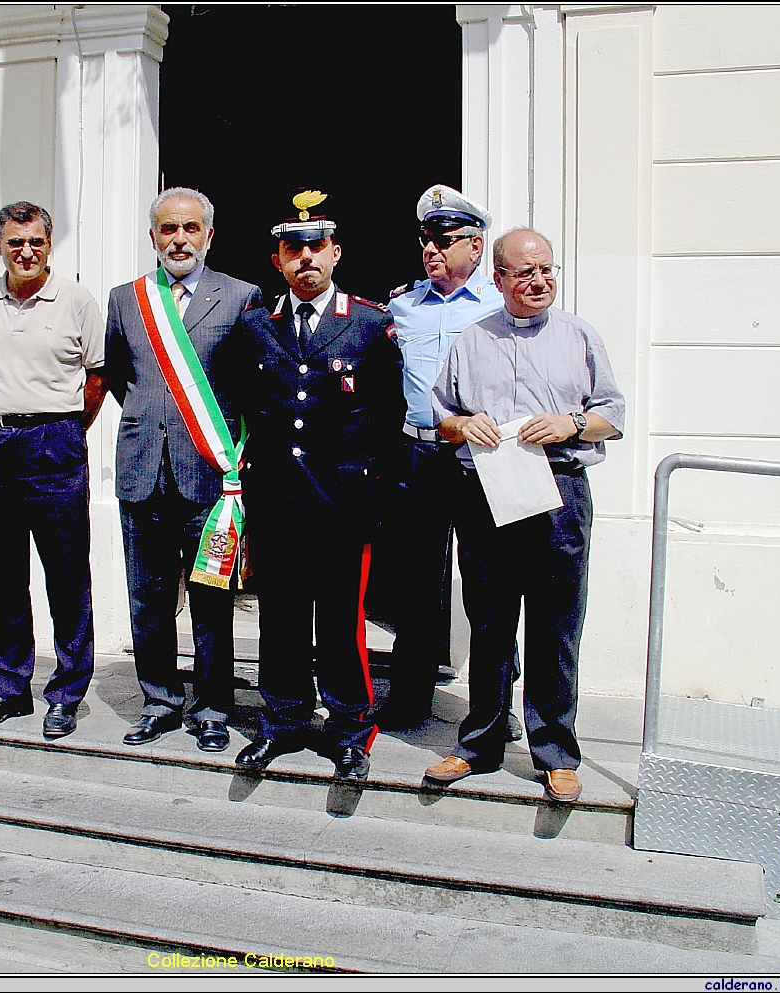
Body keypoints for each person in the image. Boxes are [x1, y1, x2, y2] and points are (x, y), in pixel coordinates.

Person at [425, 227, 624, 803]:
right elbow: (441, 416)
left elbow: (612, 411)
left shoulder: (579, 336)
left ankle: (555, 753)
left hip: (559, 489)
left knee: (556, 624)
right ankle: (480, 743)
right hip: (487, 489)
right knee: (489, 622)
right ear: (499, 278)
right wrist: (462, 425)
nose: (538, 282)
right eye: (524, 272)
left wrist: (573, 424)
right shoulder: (472, 339)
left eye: (547, 271)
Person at [231, 189, 404, 780]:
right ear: (278, 259)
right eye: (292, 249)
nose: (305, 258)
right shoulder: (255, 327)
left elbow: (388, 421)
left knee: (340, 623)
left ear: (335, 254)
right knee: (278, 617)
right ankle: (281, 721)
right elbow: (244, 410)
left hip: (342, 504)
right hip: (277, 500)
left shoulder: (369, 325)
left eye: (316, 247)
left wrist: (375, 499)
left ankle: (352, 727)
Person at [93, 188, 264, 751]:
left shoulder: (240, 296)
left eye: (190, 228)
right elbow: (121, 376)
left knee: (212, 598)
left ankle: (213, 706)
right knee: (148, 595)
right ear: (153, 237)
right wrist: (155, 422)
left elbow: (248, 384)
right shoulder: (126, 300)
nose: (179, 239)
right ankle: (160, 700)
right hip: (143, 470)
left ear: (209, 235)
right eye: (168, 229)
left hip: (210, 475)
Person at [0, 202, 104, 738]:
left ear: (49, 244)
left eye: (37, 241)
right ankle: (10, 687)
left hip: (55, 443)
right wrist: (10, 416)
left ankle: (66, 692)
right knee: (4, 574)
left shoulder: (77, 300)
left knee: (66, 575)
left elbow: (96, 379)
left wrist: (57, 430)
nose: (26, 251)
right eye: (15, 242)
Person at [370, 184, 508, 732]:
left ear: (475, 247)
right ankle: (408, 697)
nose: (431, 250)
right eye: (426, 239)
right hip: (419, 457)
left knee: (489, 590)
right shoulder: (401, 306)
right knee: (416, 587)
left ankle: (493, 709)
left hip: (485, 458)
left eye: (445, 240)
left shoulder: (502, 306)